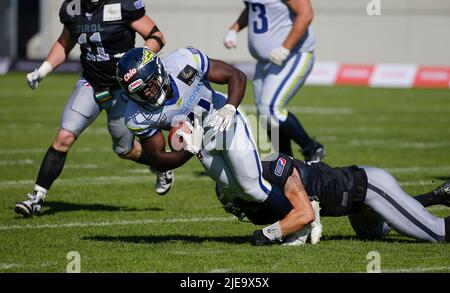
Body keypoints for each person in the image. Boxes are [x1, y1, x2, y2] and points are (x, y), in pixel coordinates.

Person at [15, 0, 172, 218]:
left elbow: (157, 37)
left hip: (122, 88)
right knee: (64, 137)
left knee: (125, 150)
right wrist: (43, 70)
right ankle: (36, 198)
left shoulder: (122, 5)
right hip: (91, 83)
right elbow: (64, 43)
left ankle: (161, 165)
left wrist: (138, 62)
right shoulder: (72, 9)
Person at [116, 46, 295, 225]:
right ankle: (292, 220)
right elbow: (158, 159)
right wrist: (187, 150)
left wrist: (229, 107)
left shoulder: (184, 62)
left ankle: (301, 220)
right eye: (138, 91)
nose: (146, 93)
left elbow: (235, 75)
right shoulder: (136, 116)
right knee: (241, 194)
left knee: (252, 187)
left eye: (149, 85)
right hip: (202, 145)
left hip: (224, 122)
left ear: (159, 71)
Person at [215, 153, 450, 245]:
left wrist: (265, 235)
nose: (234, 207)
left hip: (369, 186)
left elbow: (305, 214)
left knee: (436, 233)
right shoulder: (263, 184)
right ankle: (437, 195)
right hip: (355, 207)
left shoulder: (276, 169)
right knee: (379, 232)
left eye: (231, 199)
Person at [223, 0, 324, 161]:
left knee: (270, 109)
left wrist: (286, 47)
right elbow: (254, 9)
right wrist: (234, 28)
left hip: (293, 54)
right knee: (265, 117)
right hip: (266, 61)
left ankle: (311, 147)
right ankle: (287, 163)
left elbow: (306, 14)